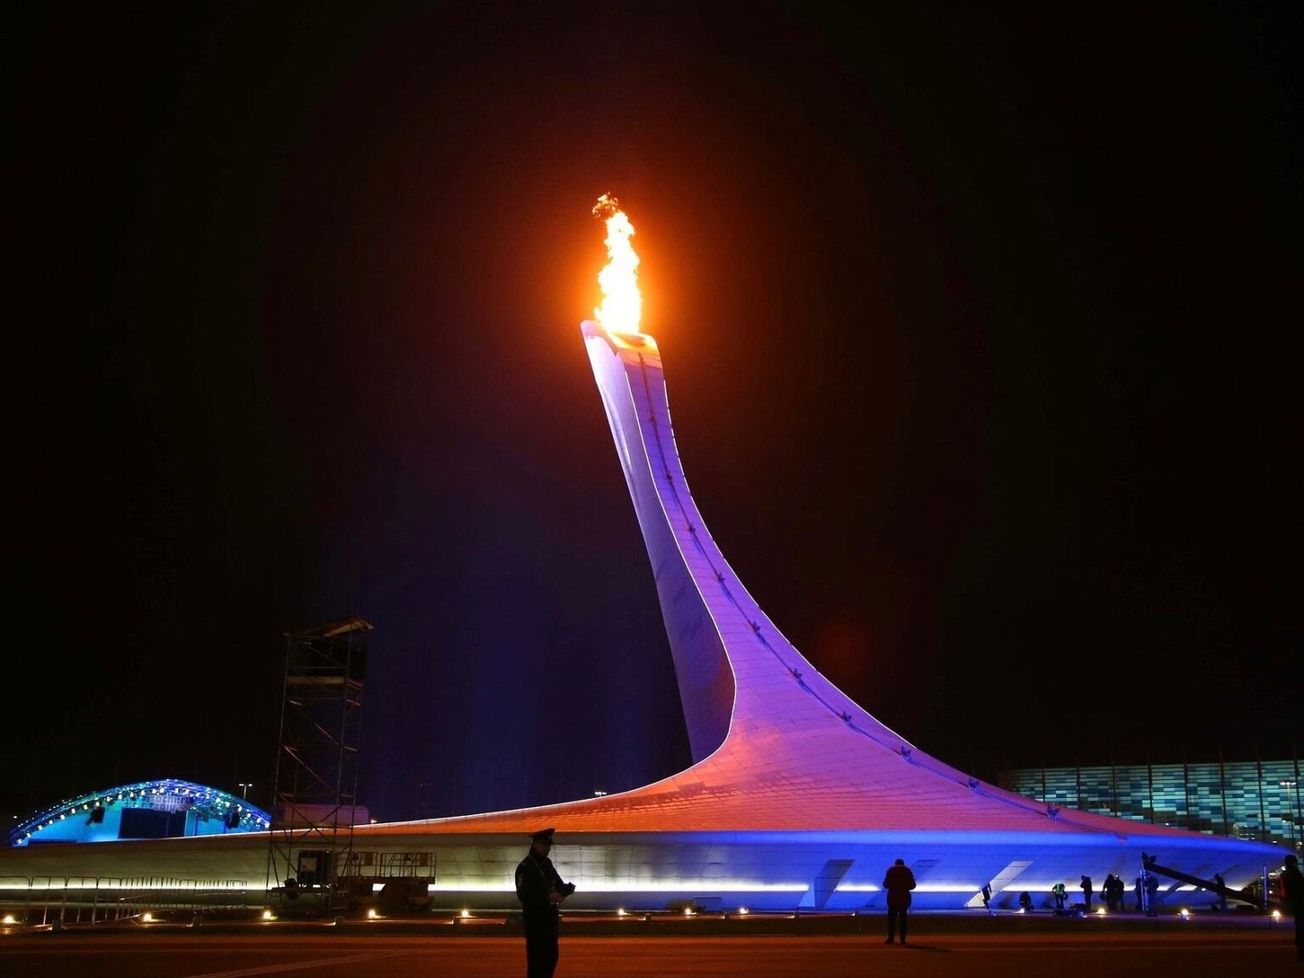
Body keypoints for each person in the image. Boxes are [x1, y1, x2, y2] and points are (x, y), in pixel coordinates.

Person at [514, 827, 575, 978]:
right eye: (544, 845)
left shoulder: (546, 864)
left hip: (549, 920)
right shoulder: (525, 868)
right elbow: (524, 896)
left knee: (551, 958)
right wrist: (548, 897)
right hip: (535, 922)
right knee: (537, 963)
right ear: (535, 844)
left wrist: (566, 890)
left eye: (549, 845)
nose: (547, 849)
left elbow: (558, 884)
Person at [882, 857, 917, 944]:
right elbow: (913, 885)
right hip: (904, 899)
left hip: (892, 898)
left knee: (891, 920)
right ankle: (903, 939)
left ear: (895, 863)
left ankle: (891, 938)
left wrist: (893, 887)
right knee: (903, 920)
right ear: (903, 863)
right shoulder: (908, 871)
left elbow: (885, 884)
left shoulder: (891, 871)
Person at [1281, 853, 1304, 962]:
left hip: (1294, 903)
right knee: (1301, 926)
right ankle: (1301, 949)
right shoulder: (1295, 874)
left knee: (1299, 925)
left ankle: (1300, 947)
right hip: (1300, 902)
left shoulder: (1284, 874)